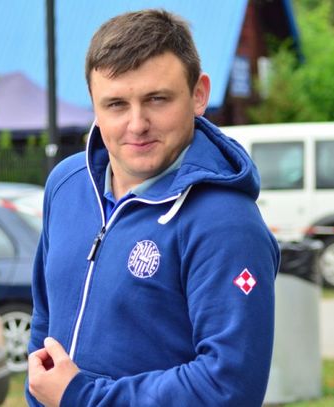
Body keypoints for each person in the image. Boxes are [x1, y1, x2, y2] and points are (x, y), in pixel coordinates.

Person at [26, 8, 280, 407]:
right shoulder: (67, 185)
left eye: (157, 99)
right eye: (115, 104)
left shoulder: (226, 223)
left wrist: (81, 397)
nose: (137, 124)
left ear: (198, 95)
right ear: (93, 105)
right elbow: (45, 322)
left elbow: (230, 385)